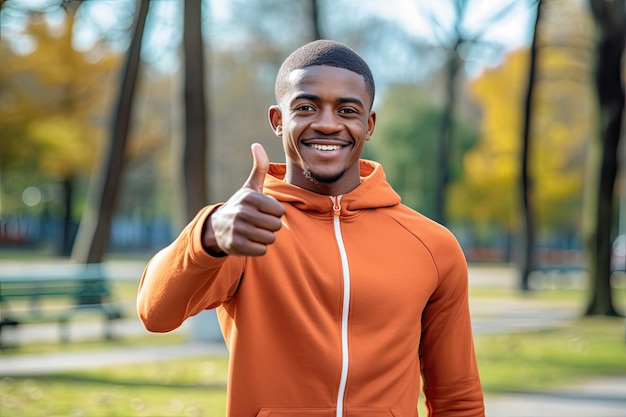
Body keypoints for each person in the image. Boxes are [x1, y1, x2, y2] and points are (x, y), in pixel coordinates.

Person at [137, 39, 484, 417]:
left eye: (347, 110)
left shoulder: (432, 245)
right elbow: (155, 314)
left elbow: (457, 397)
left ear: (368, 125)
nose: (327, 124)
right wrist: (207, 235)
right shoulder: (244, 229)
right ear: (278, 120)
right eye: (306, 107)